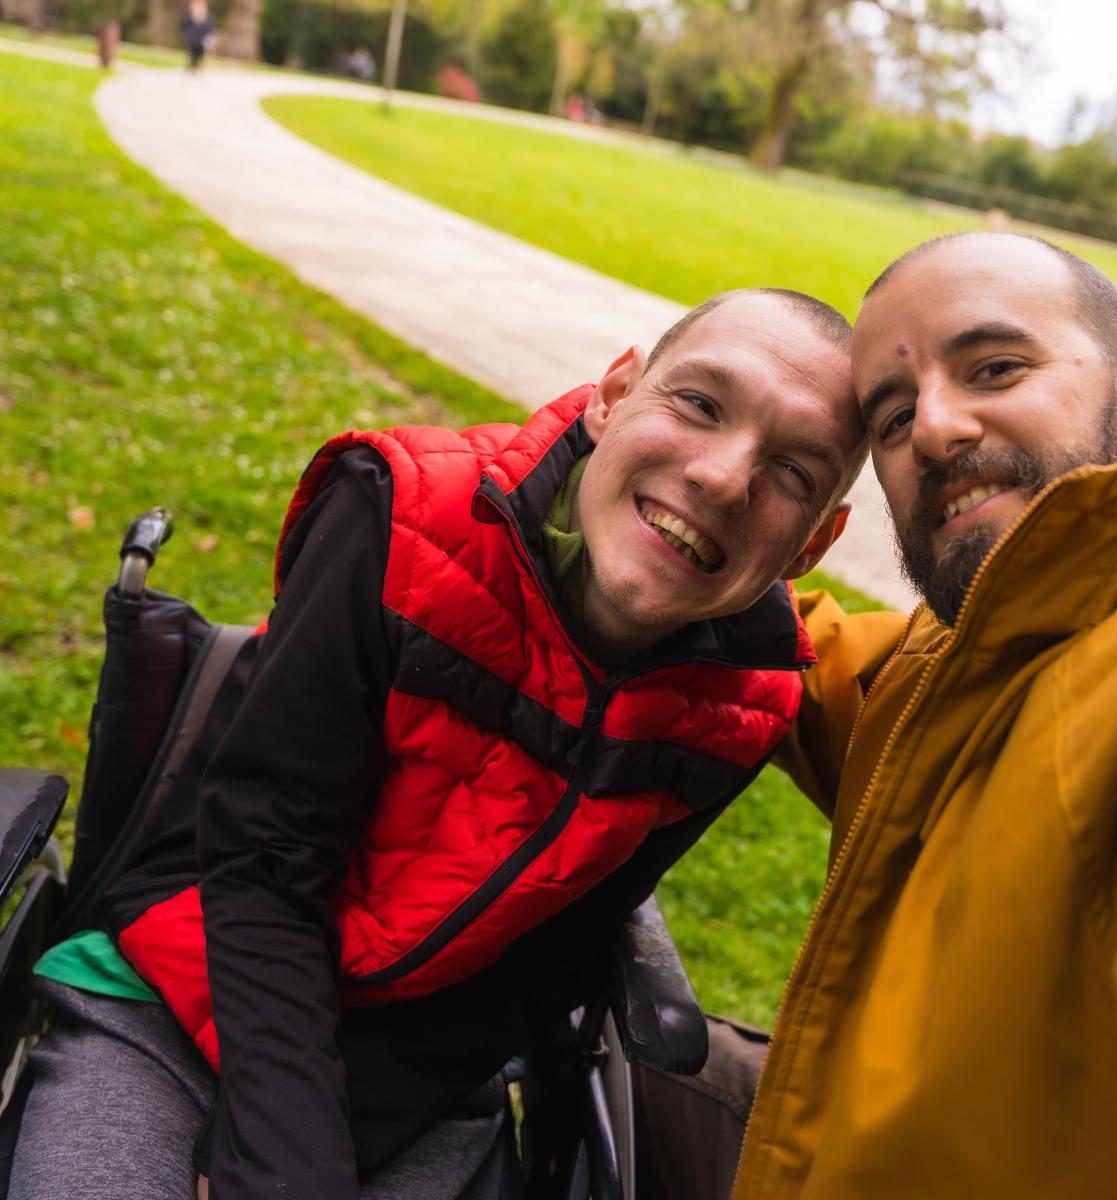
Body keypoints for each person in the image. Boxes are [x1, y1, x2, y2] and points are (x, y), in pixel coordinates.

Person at [10, 288, 868, 1200]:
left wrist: (337, 1141)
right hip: (185, 979)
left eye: (794, 473)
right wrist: (284, 1161)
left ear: (815, 541)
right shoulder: (405, 519)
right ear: (614, 394)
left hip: (420, 1065)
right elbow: (263, 857)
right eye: (700, 404)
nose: (726, 478)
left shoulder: (742, 707)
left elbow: (556, 955)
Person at [721, 232, 1117, 1200]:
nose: (933, 430)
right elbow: (802, 648)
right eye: (891, 419)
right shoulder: (952, 661)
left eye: (996, 367)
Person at [179, 0, 213, 72]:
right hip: (191, 40)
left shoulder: (207, 18)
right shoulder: (188, 16)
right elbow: (183, 27)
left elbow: (210, 30)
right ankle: (192, 65)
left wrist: (209, 39)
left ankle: (197, 65)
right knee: (192, 47)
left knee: (201, 48)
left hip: (202, 41)